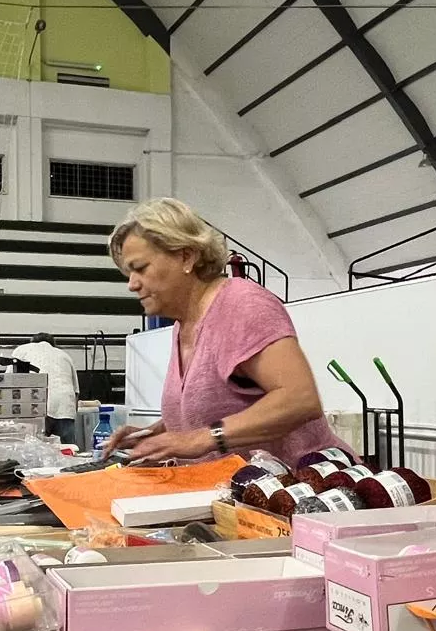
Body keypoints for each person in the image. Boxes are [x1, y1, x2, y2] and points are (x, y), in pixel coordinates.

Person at [100, 197, 352, 464]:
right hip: (237, 494)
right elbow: (215, 409)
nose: (132, 284)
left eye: (140, 269)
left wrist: (199, 440)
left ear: (186, 256)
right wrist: (156, 436)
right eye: (129, 273)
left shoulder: (242, 305)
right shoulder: (182, 325)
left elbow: (300, 400)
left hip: (303, 489)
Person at [11, 333, 80, 443]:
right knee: (68, 452)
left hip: (37, 406)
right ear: (53, 344)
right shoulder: (65, 355)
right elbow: (76, 392)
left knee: (36, 452)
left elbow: (9, 381)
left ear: (32, 342)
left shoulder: (22, 350)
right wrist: (70, 415)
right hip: (65, 408)